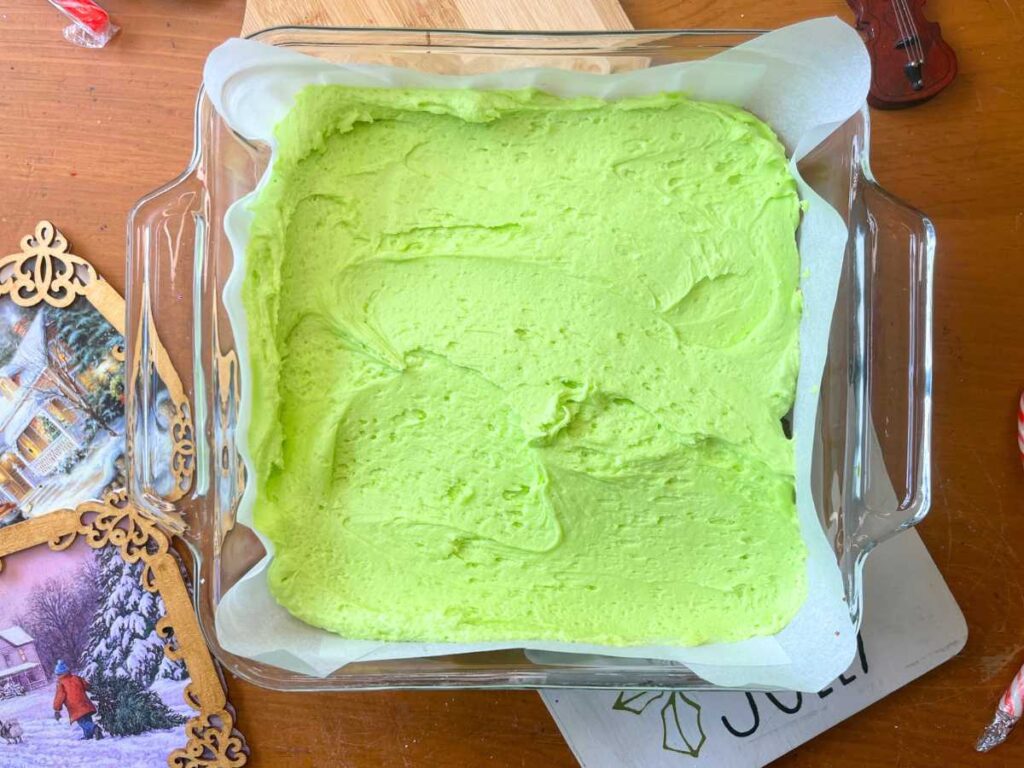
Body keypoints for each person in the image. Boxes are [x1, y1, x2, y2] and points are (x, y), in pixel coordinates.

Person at [52, 660, 103, 740]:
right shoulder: (76, 678)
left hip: (75, 707)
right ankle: (88, 736)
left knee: (82, 722)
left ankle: (94, 728)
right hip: (85, 703)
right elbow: (87, 686)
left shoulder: (61, 683)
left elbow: (59, 696)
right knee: (87, 719)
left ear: (59, 674)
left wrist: (56, 709)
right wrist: (95, 690)